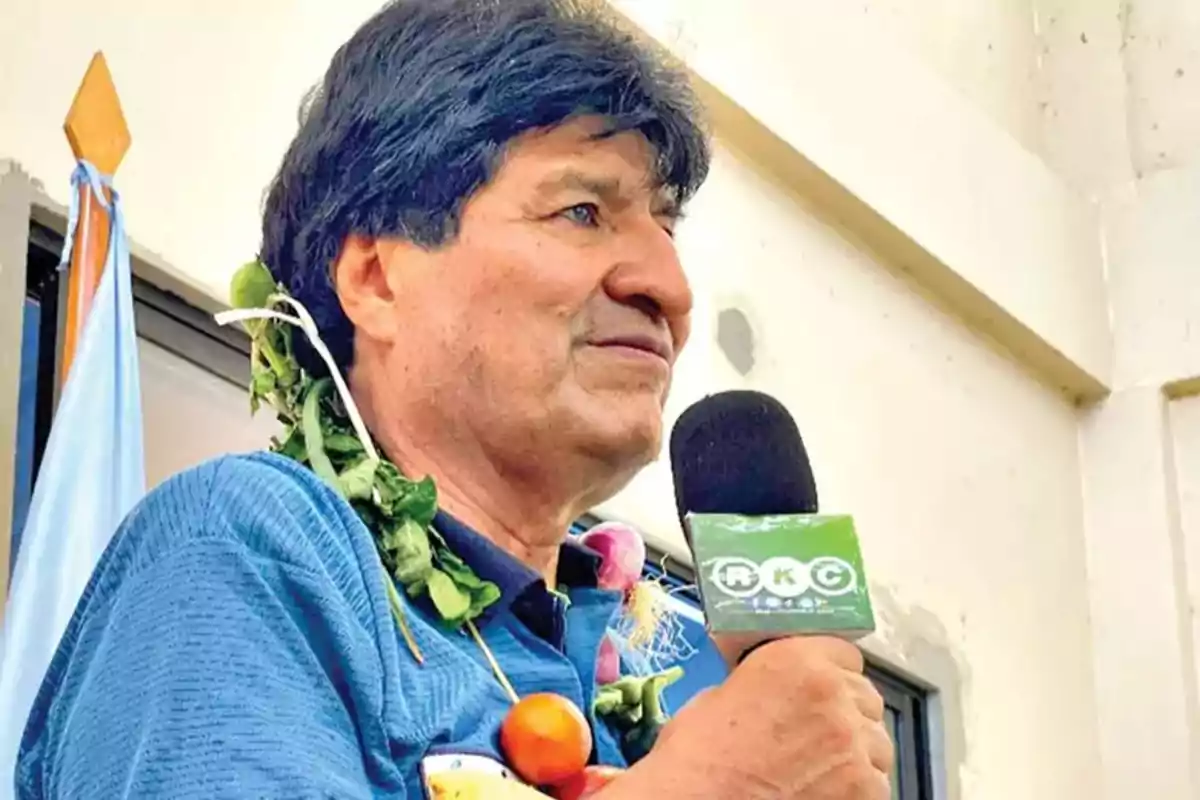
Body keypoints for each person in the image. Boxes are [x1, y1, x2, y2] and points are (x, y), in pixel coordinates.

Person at [15, 1, 894, 798]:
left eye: (665, 226)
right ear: (377, 279)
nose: (667, 285)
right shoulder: (249, 548)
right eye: (583, 211)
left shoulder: (634, 673)